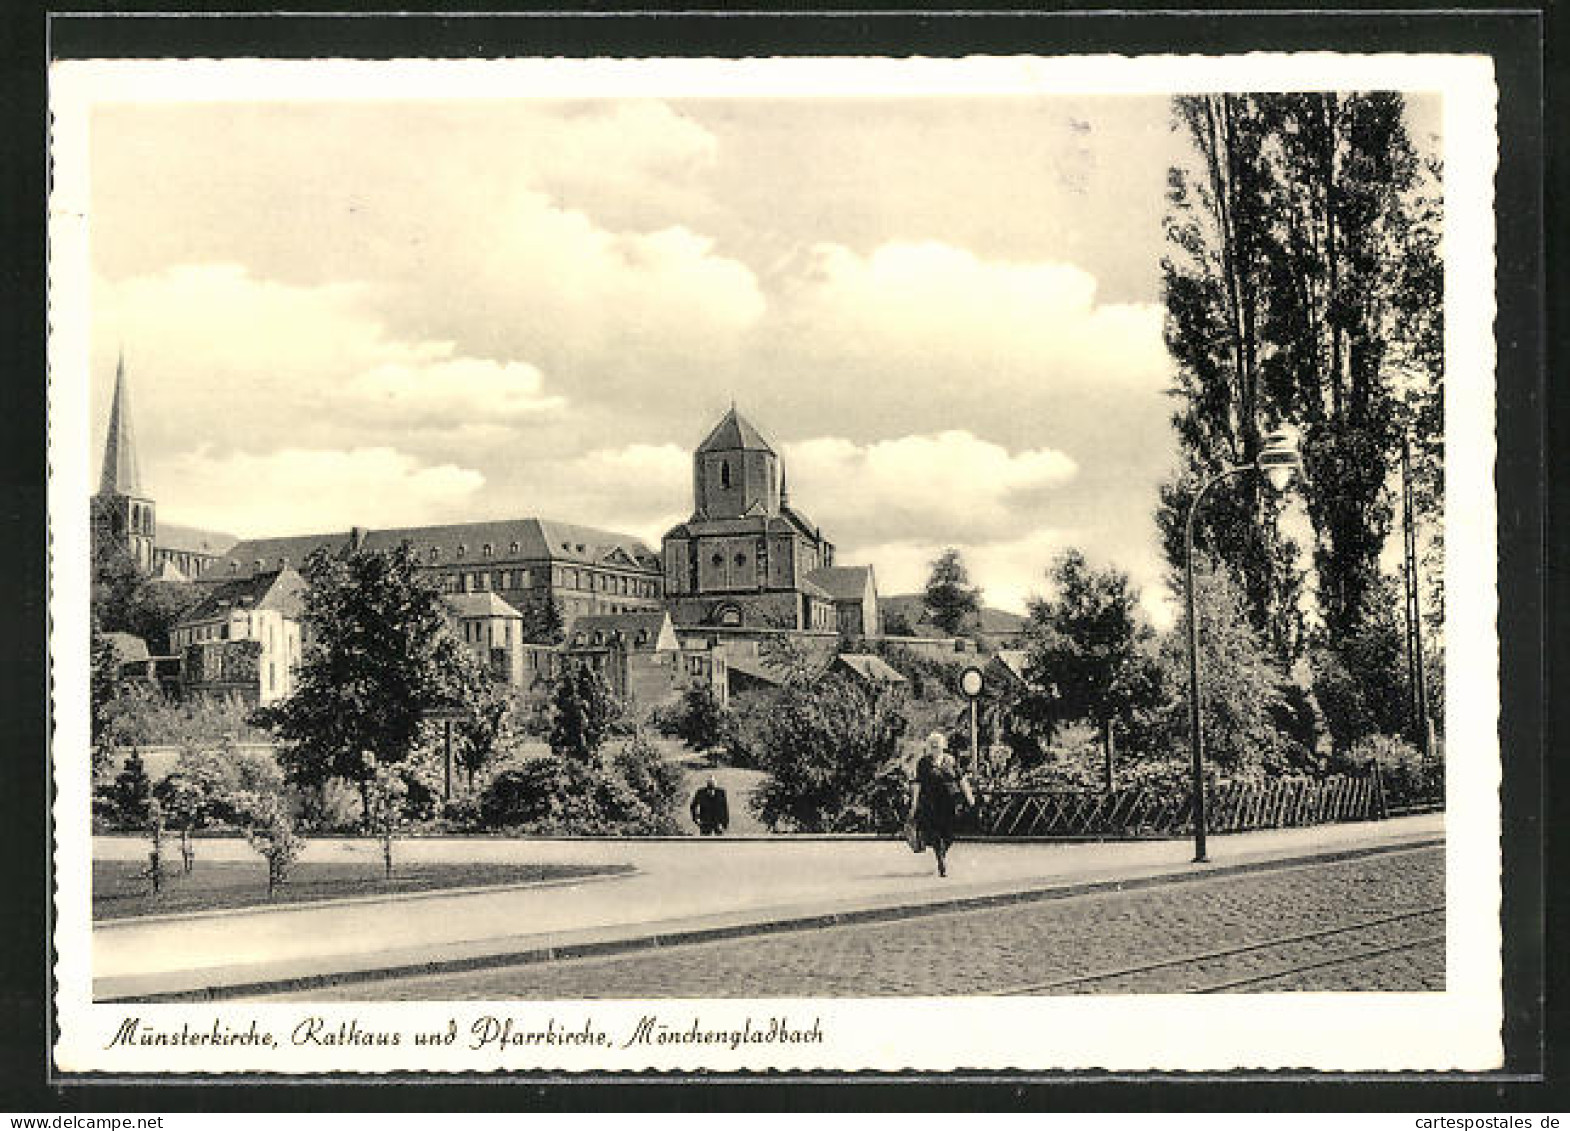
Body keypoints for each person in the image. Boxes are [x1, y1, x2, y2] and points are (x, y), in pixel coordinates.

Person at [909, 732, 972, 877]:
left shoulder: (951, 760)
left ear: (944, 746)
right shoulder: (923, 763)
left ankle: (942, 852)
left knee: (949, 834)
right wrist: (914, 804)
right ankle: (941, 859)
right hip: (931, 803)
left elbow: (961, 779)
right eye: (932, 746)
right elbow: (917, 784)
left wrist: (970, 798)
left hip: (950, 803)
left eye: (938, 745)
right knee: (935, 832)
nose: (935, 748)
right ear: (929, 747)